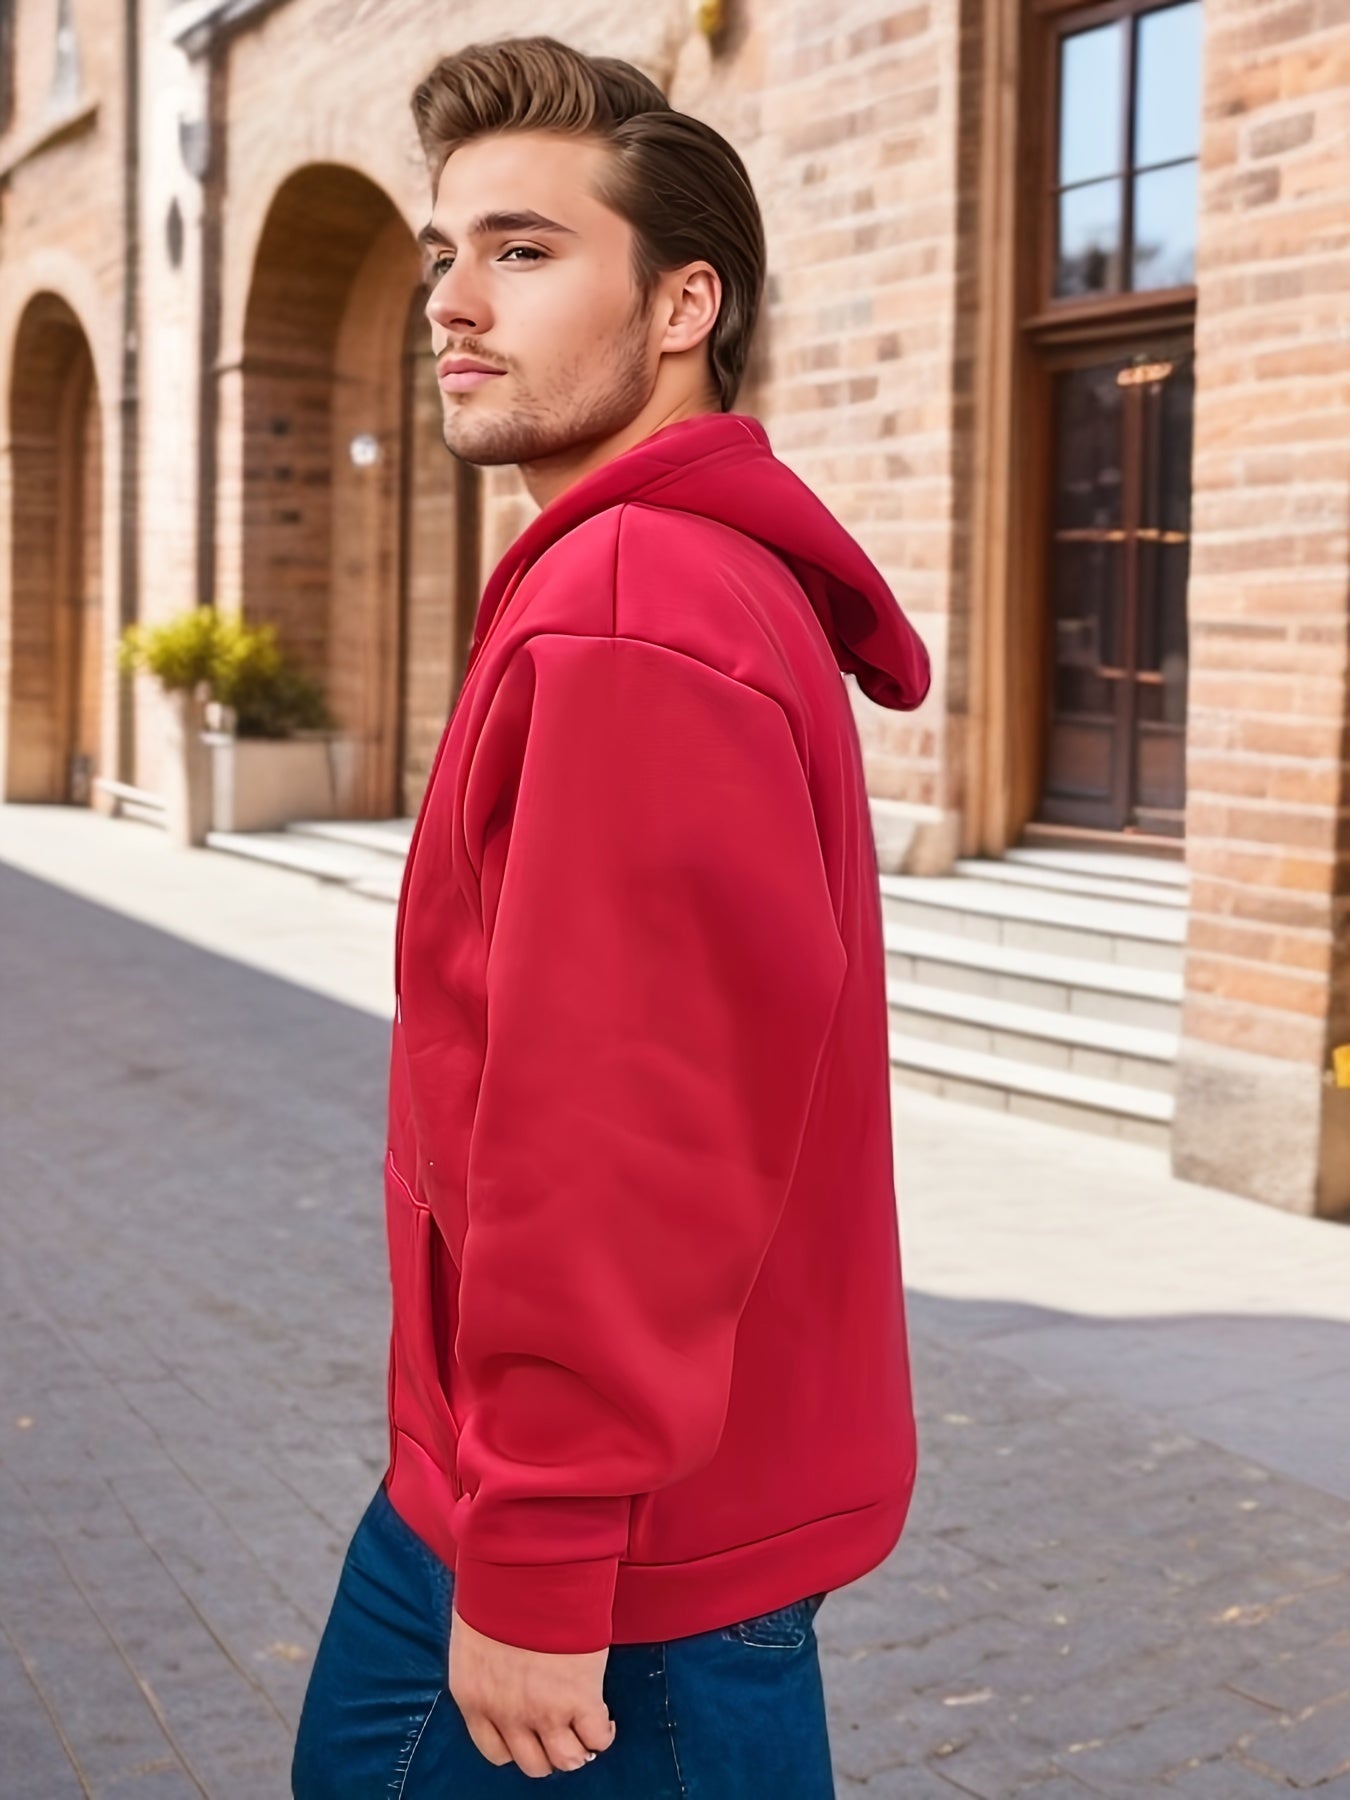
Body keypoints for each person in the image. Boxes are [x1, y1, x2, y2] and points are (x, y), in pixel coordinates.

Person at [291, 33, 930, 1798]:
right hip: (574, 1502)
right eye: (445, 253)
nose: (451, 301)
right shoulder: (663, 577)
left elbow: (626, 1124)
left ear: (679, 305)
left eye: (523, 249)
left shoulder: (635, 599)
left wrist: (544, 1547)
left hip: (603, 1557)